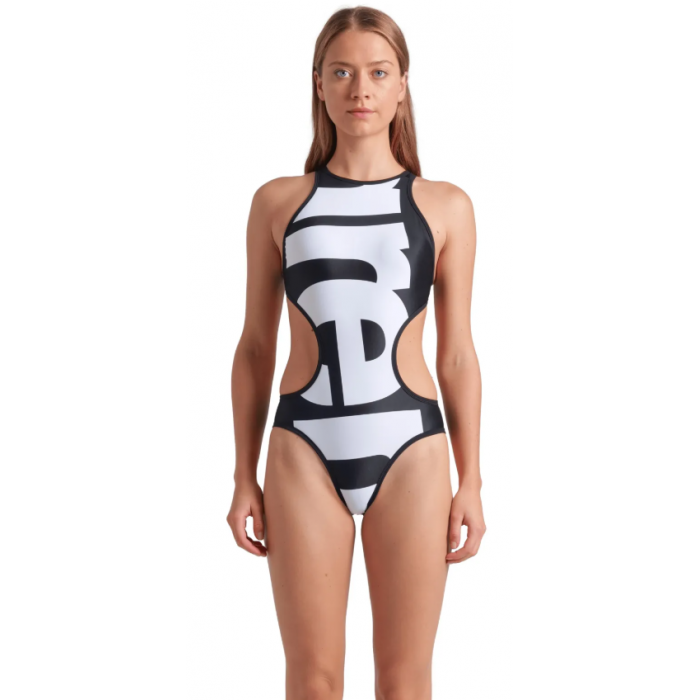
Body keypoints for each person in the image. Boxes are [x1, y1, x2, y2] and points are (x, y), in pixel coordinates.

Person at [227, 6, 485, 699]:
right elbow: (255, 346)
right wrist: (243, 475)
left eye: (377, 72)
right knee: (313, 681)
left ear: (402, 85)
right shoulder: (278, 203)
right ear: (318, 84)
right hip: (303, 447)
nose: (360, 89)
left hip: (411, 448)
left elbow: (458, 355)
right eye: (341, 73)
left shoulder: (445, 206)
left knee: (404, 681)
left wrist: (471, 481)